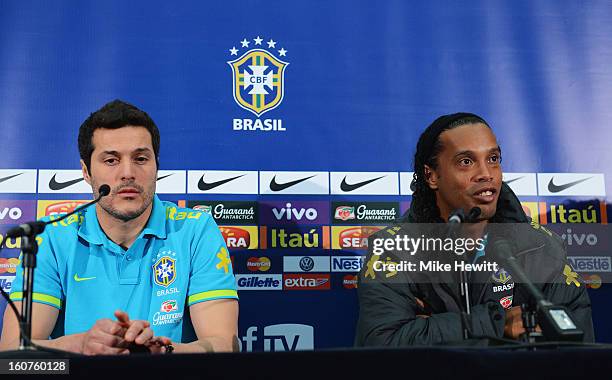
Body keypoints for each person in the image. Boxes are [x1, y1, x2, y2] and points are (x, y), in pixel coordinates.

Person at [0, 100, 239, 354]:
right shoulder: (51, 237)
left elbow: (224, 346)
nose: (128, 173)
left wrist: (161, 352)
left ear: (156, 166)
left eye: (141, 158)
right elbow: (13, 354)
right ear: (86, 171)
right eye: (111, 160)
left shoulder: (195, 231)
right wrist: (81, 346)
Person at [355, 112, 594, 346]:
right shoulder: (393, 250)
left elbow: (577, 346)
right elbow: (383, 343)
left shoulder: (541, 246)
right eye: (466, 162)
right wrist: (500, 325)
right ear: (431, 176)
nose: (485, 174)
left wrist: (434, 329)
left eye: (493, 159)